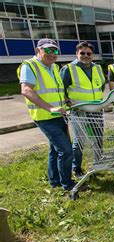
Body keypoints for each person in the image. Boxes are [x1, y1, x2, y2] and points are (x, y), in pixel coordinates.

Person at [17, 38, 75, 190]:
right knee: (66, 150)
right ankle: (67, 184)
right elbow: (26, 90)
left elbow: (57, 91)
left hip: (59, 115)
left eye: (55, 51)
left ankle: (55, 182)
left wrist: (67, 101)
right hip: (45, 117)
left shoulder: (55, 68)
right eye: (48, 50)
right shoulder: (30, 66)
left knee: (55, 150)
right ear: (38, 51)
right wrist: (50, 108)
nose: (52, 54)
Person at [60, 41, 106, 178]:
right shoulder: (69, 69)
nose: (86, 56)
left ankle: (97, 164)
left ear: (92, 55)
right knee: (80, 141)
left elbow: (102, 86)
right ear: (77, 54)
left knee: (97, 137)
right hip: (79, 111)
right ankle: (77, 167)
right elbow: (61, 89)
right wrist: (68, 102)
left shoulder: (97, 68)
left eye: (89, 53)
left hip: (96, 109)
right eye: (82, 53)